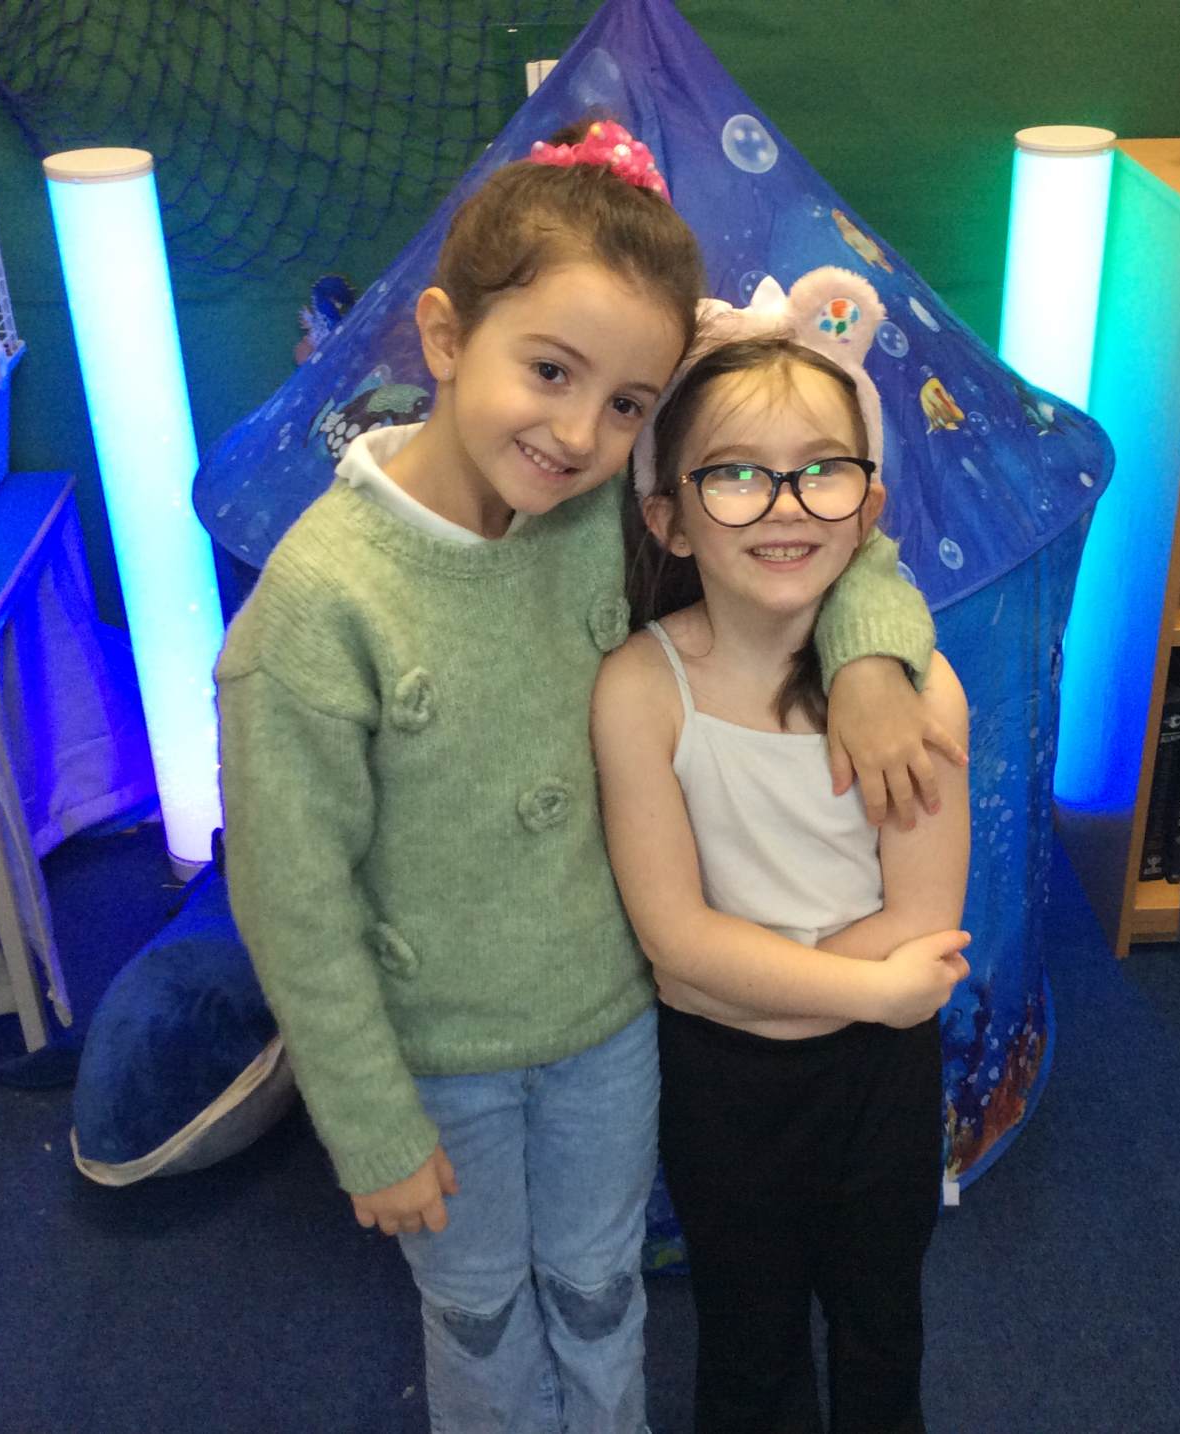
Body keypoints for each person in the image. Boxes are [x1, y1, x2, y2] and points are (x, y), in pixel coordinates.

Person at [215, 124, 957, 1433]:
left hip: (606, 1032)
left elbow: (818, 525)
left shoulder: (595, 503)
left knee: (602, 1288)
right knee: (480, 1311)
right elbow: (292, 895)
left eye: (626, 405)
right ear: (445, 337)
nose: (578, 432)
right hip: (441, 1050)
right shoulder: (322, 606)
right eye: (550, 371)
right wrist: (370, 1123)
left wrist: (866, 657)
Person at [592, 267, 973, 1434]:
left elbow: (921, 921)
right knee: (747, 1340)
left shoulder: (924, 694)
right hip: (727, 1083)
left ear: (869, 505)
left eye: (822, 470)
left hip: (877, 1082)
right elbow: (675, 948)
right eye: (736, 475)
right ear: (669, 516)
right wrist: (866, 990)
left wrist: (750, 981)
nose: (786, 506)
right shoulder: (640, 689)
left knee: (881, 1323)